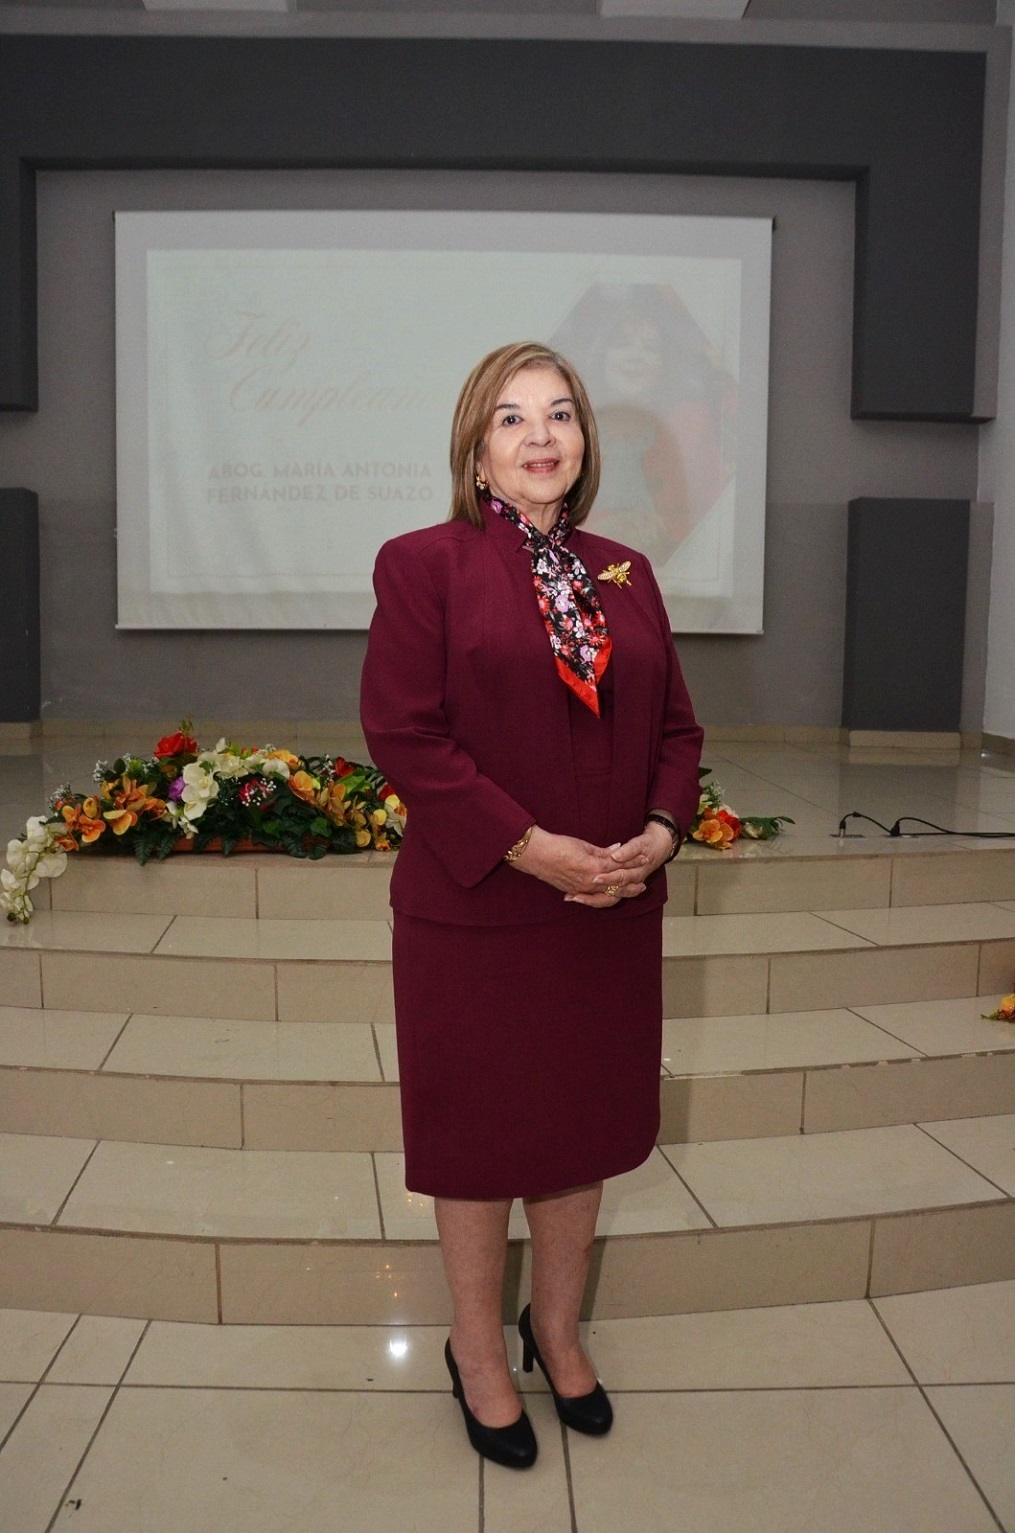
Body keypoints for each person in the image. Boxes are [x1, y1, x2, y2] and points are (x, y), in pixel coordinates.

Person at [360, 340, 703, 1470]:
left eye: (560, 413)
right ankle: (474, 1347)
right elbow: (405, 733)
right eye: (511, 418)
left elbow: (677, 731)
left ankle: (553, 1327)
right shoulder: (422, 564)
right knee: (477, 1138)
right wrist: (528, 847)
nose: (540, 435)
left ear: (585, 443)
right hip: (478, 909)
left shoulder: (627, 571)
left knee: (578, 1127)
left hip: (608, 908)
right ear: (476, 452)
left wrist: (660, 831)